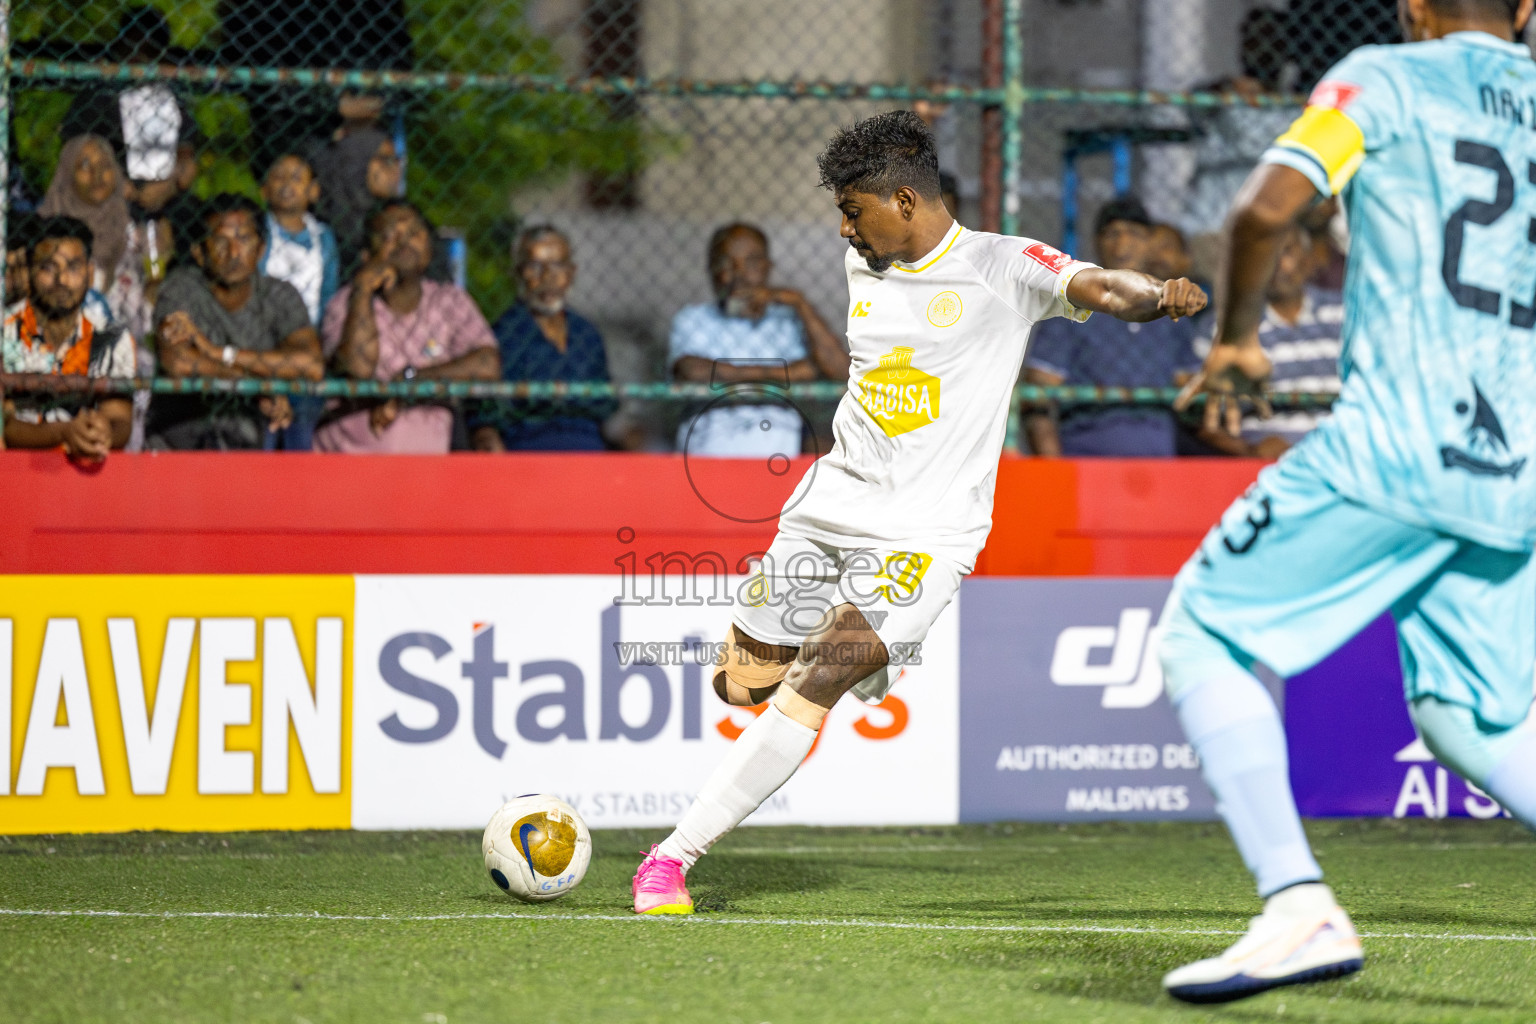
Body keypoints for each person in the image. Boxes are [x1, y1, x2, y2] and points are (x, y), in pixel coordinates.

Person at [631, 110, 1206, 914]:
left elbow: (1103, 286)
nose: (842, 229)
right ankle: (867, 651)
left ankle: (669, 860)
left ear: (904, 201)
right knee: (741, 684)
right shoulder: (864, 256)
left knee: (820, 675)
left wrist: (1161, 296)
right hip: (829, 509)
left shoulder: (1002, 265)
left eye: (852, 211)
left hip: (930, 533)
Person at [1159, 0, 1536, 1004]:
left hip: (1399, 442)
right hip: (1517, 464)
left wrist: (1237, 340)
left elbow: (1264, 209)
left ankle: (1298, 906)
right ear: (1527, 10)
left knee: (1199, 632)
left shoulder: (1386, 77)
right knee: (1472, 719)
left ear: (1414, 8)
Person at [316, 199, 499, 453]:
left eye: (413, 233)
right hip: (350, 461)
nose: (404, 243)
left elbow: (487, 364)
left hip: (427, 466)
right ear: (367, 255)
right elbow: (358, 368)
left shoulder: (449, 300)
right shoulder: (346, 302)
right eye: (389, 236)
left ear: (429, 247)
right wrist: (362, 291)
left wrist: (411, 381)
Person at [1023, 198, 1202, 456]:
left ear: (1151, 244)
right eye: (1112, 234)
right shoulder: (1072, 307)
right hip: (1085, 460)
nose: (1123, 243)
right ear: (1097, 242)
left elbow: (1194, 392)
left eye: (1134, 233)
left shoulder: (1171, 313)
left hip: (1160, 464)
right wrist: (1054, 472)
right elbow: (1037, 394)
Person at [146, 194, 323, 450]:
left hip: (245, 445)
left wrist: (217, 353)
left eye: (245, 239)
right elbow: (179, 361)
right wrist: (257, 386)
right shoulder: (181, 288)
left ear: (261, 249)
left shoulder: (279, 295)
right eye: (220, 241)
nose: (233, 253)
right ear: (199, 253)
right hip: (176, 443)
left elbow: (311, 364)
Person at [670, 223, 850, 456]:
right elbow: (692, 372)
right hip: (706, 456)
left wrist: (799, 303)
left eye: (752, 262)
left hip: (779, 459)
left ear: (768, 267)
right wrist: (790, 374)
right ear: (711, 270)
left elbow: (840, 370)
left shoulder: (787, 321)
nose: (739, 275)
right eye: (726, 263)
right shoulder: (693, 318)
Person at [1196, 225, 1343, 460]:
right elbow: (1200, 417)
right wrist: (1250, 451)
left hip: (1344, 456)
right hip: (1263, 464)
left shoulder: (1345, 313)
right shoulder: (1221, 328)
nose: (1273, 263)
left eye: (1285, 251)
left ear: (1308, 260)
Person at [470, 225, 615, 451]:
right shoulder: (503, 335)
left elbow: (605, 408)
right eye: (535, 267)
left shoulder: (587, 334)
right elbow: (485, 416)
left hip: (587, 448)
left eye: (557, 266)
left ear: (571, 272)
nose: (548, 277)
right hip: (531, 447)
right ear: (518, 273)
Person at [1, 217, 135, 460]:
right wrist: (64, 433)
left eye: (73, 267)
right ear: (29, 273)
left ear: (90, 274)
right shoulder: (5, 331)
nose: (61, 280)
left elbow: (119, 418)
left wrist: (103, 434)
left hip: (90, 467)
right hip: (17, 469)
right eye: (48, 268)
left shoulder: (111, 337)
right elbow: (5, 425)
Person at [259, 152, 342, 451]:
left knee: (302, 433)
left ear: (313, 191)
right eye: (278, 177)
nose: (287, 185)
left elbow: (328, 292)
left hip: (307, 348)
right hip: (264, 346)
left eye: (296, 178)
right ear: (264, 190)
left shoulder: (323, 238)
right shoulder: (259, 232)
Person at [312, 129, 403, 279]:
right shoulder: (319, 220)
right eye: (387, 160)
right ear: (358, 162)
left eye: (397, 161)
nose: (397, 170)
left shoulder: (389, 215)